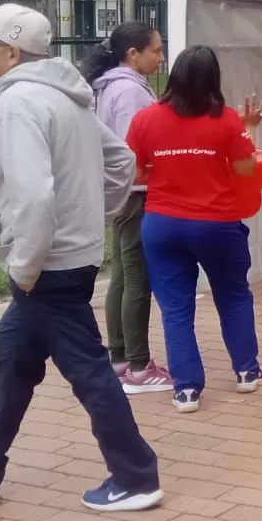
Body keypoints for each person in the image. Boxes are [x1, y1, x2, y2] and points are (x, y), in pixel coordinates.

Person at [0, 4, 163, 512]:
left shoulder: (20, 103)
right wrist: (95, 216)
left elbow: (34, 197)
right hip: (69, 258)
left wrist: (25, 266)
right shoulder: (68, 96)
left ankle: (136, 475)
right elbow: (122, 161)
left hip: (46, 267)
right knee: (11, 358)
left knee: (88, 371)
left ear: (12, 51)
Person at [125, 45, 262, 413]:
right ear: (213, 79)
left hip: (162, 224)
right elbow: (246, 170)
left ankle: (186, 390)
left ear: (173, 75)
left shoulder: (145, 119)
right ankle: (246, 373)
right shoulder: (226, 121)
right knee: (234, 296)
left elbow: (136, 172)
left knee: (175, 308)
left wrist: (166, 168)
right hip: (217, 224)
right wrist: (249, 128)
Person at [83, 21, 171, 394]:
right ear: (133, 54)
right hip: (134, 193)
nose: (161, 56)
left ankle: (120, 357)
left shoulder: (116, 87)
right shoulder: (129, 93)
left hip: (125, 192)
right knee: (137, 277)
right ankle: (138, 364)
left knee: (123, 274)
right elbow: (132, 149)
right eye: (156, 49)